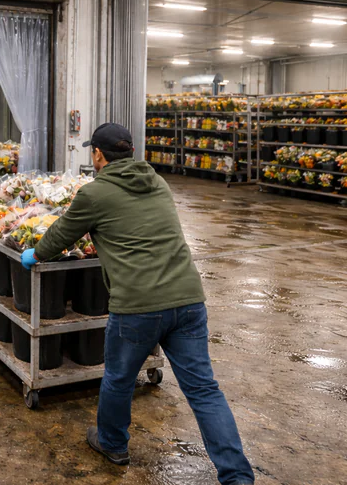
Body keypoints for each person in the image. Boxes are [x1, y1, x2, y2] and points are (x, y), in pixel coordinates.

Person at [20, 123, 254, 485]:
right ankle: (237, 477)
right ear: (131, 152)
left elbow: (61, 236)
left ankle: (112, 443)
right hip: (188, 299)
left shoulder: (94, 193)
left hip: (138, 305)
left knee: (119, 378)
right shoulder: (157, 182)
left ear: (98, 154)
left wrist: (34, 254)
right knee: (204, 390)